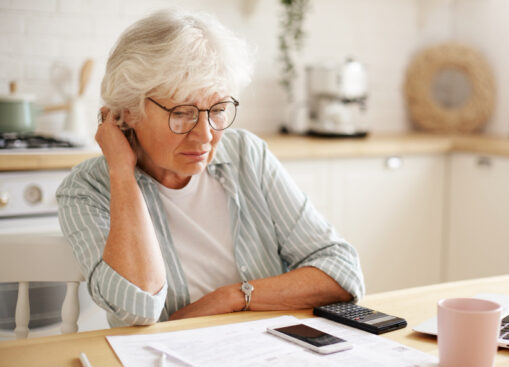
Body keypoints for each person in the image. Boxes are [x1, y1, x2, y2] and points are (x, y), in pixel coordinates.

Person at [56, 9, 364, 328]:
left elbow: (342, 272)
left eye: (217, 110)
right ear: (129, 111)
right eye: (182, 113)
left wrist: (230, 298)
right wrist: (121, 172)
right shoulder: (86, 189)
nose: (205, 135)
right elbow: (138, 307)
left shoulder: (246, 154)